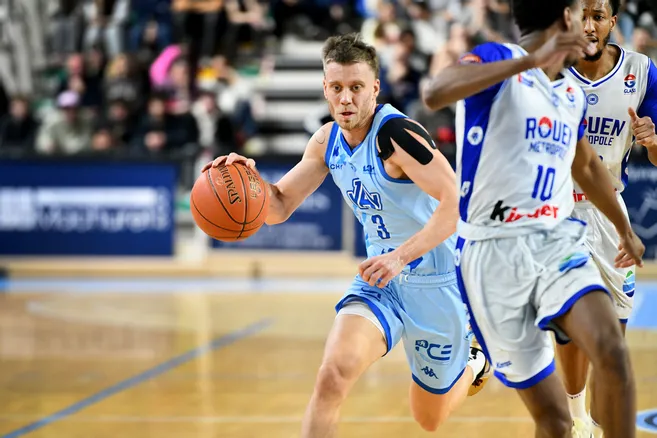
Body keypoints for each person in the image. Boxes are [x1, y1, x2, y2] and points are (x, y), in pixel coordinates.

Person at [203, 33, 489, 437]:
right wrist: (248, 183)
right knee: (331, 377)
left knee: (429, 418)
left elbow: (455, 204)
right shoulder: (326, 141)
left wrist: (399, 256)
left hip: (436, 283)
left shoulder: (398, 136)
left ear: (375, 88)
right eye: (336, 88)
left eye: (356, 88)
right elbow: (279, 206)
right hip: (378, 282)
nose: (346, 99)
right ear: (325, 89)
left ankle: (476, 362)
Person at [421, 0, 645, 437]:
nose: (590, 24)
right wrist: (529, 61)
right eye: (583, 12)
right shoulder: (498, 59)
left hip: (555, 241)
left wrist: (624, 229)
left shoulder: (570, 93)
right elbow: (435, 92)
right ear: (566, 18)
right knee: (556, 424)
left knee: (612, 352)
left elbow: (588, 167)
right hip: (491, 254)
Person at [559, 1, 657, 436]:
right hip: (558, 213)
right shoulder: (551, 71)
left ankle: (596, 427)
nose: (589, 25)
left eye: (598, 15)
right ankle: (577, 417)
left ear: (613, 22)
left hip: (609, 213)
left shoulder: (641, 70)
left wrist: (653, 142)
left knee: (611, 342)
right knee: (573, 333)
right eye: (582, 14)